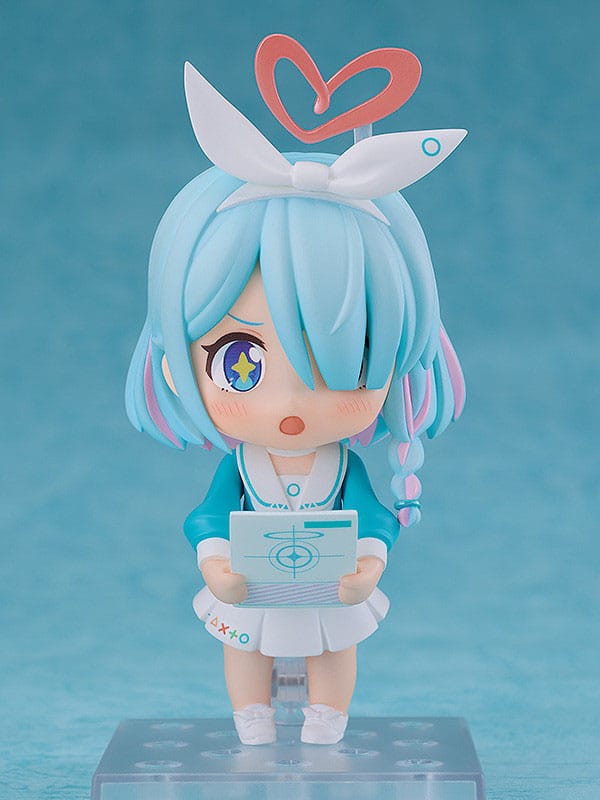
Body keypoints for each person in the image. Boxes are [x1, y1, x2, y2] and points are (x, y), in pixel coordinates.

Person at [125, 58, 465, 746]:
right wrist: (216, 562)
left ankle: (327, 715)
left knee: (334, 645)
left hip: (327, 583)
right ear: (176, 364)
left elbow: (374, 516)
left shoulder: (342, 467)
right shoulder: (241, 468)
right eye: (238, 362)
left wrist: (369, 562)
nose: (291, 404)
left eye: (343, 366)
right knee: (243, 643)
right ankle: (250, 715)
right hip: (251, 584)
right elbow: (209, 515)